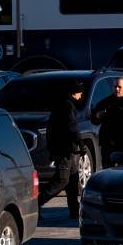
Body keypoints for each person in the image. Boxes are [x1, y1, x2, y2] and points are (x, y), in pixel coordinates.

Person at [38, 80, 84, 218]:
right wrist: (80, 142)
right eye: (80, 93)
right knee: (62, 180)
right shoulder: (67, 105)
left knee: (73, 180)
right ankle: (37, 202)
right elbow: (72, 127)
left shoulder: (65, 104)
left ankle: (74, 211)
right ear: (74, 93)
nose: (81, 96)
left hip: (68, 149)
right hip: (64, 149)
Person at [91, 77, 123, 168]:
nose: (117, 89)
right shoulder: (106, 102)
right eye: (115, 86)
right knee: (108, 169)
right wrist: (97, 116)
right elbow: (94, 120)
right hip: (108, 143)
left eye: (119, 87)